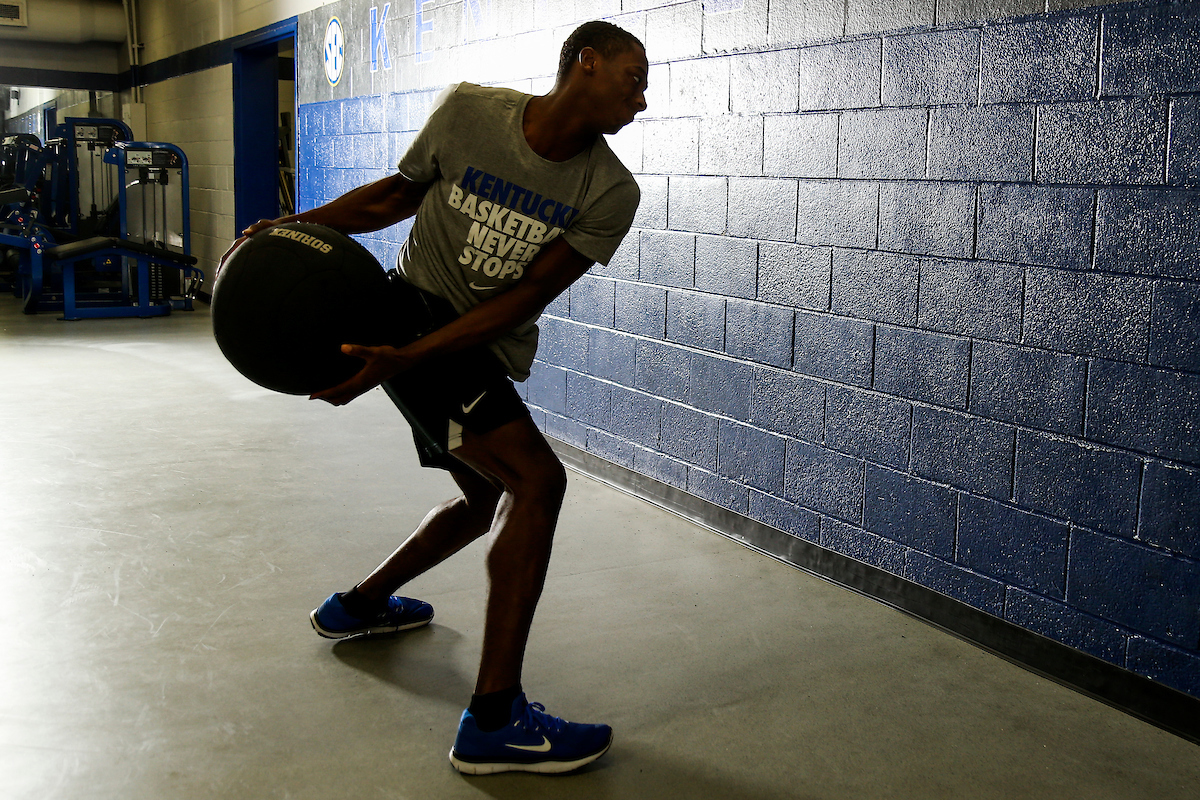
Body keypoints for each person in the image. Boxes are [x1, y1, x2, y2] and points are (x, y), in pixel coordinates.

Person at [223, 21, 648, 775]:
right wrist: (290, 228)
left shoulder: (611, 190)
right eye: (633, 78)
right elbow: (394, 196)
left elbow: (528, 294)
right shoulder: (470, 112)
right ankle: (494, 718)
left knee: (486, 498)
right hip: (408, 315)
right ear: (587, 62)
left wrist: (410, 361)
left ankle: (359, 605)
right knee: (538, 483)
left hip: (455, 346)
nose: (641, 100)